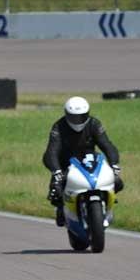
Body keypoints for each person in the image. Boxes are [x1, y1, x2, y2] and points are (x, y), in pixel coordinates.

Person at [43, 96, 124, 226]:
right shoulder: (59, 126)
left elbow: (107, 145)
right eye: (73, 117)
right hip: (66, 161)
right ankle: (61, 209)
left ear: (87, 114)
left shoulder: (94, 124)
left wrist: (114, 164)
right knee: (55, 190)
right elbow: (51, 151)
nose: (77, 121)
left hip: (90, 160)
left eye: (81, 117)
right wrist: (56, 171)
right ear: (66, 114)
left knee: (118, 183)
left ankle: (107, 202)